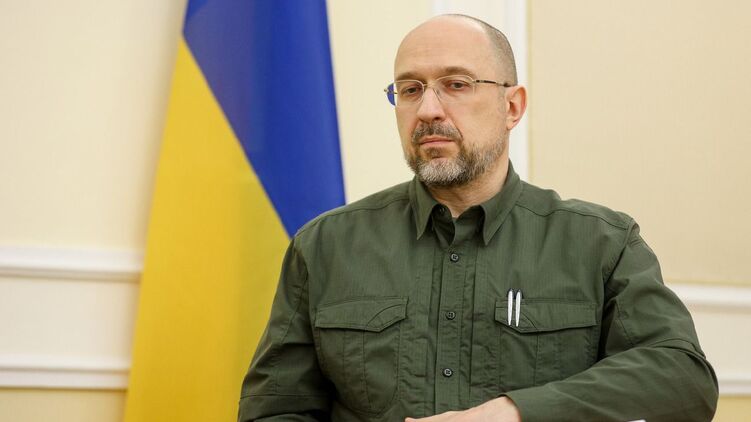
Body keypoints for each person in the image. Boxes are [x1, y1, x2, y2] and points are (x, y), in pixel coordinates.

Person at [238, 14, 718, 422]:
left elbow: (682, 376)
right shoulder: (325, 246)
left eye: (456, 84)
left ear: (512, 106)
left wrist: (514, 412)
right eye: (410, 89)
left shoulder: (601, 242)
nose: (428, 109)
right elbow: (275, 409)